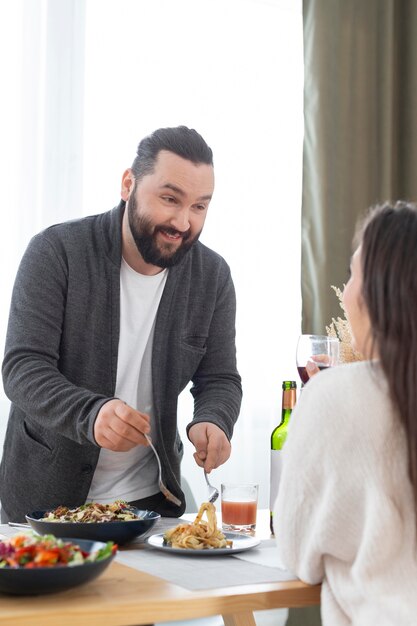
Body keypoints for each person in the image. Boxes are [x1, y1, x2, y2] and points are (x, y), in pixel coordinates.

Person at [0, 125, 242, 522]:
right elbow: (22, 368)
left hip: (150, 505)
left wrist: (213, 420)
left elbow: (219, 378)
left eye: (199, 207)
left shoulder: (212, 276)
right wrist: (91, 414)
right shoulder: (56, 252)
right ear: (128, 183)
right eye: (170, 199)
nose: (183, 222)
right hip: (45, 504)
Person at [274, 201, 417, 625]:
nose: (347, 286)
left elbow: (298, 554)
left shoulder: (334, 395)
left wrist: (324, 397)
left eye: (354, 272)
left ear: (378, 292)